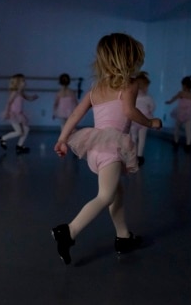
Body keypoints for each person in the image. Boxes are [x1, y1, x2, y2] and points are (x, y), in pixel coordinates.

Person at [51, 33, 162, 265]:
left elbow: (75, 115)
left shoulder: (96, 88)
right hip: (112, 147)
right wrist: (151, 122)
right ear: (128, 60)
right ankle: (68, 231)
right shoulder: (129, 84)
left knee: (116, 193)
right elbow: (130, 112)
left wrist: (62, 139)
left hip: (95, 147)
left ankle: (123, 237)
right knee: (106, 195)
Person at [0, 74, 38, 154]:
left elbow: (28, 98)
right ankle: (2, 138)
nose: (25, 82)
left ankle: (19, 146)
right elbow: (9, 103)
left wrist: (33, 98)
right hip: (13, 114)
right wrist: (7, 112)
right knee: (19, 132)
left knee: (26, 129)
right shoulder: (14, 92)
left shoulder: (21, 92)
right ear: (18, 83)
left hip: (20, 114)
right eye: (23, 81)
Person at [130, 72, 155, 166]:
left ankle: (132, 156)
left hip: (133, 120)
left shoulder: (132, 97)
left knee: (133, 138)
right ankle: (139, 156)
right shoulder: (148, 98)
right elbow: (153, 107)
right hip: (144, 120)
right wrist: (149, 110)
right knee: (142, 139)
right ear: (144, 87)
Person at [165, 76, 191, 152]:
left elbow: (174, 98)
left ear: (185, 85)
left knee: (177, 128)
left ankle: (176, 141)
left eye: (182, 85)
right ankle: (188, 144)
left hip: (180, 112)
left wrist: (169, 102)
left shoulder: (181, 93)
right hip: (188, 113)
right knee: (188, 130)